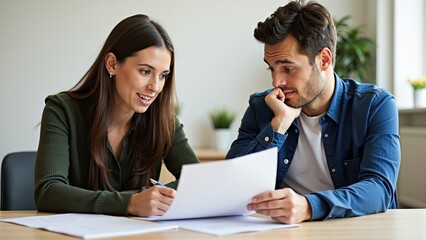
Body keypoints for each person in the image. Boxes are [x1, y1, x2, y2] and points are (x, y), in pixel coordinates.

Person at [226, 0, 400, 224]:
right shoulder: (263, 107)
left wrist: (309, 207)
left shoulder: (374, 106)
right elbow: (233, 185)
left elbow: (380, 189)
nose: (276, 81)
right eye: (271, 68)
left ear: (324, 60)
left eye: (288, 68)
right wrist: (278, 126)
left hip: (356, 229)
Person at [34, 14, 199, 217]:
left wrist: (154, 198)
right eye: (145, 71)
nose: (155, 87)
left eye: (163, 75)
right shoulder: (61, 111)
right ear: (112, 64)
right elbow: (48, 191)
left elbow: (196, 180)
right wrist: (129, 203)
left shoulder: (164, 120)